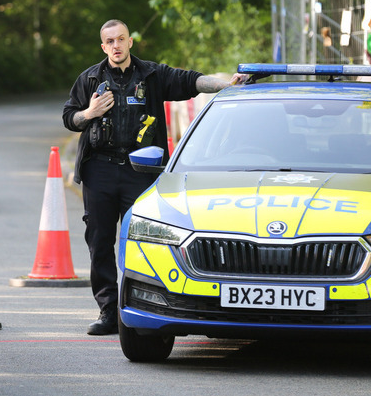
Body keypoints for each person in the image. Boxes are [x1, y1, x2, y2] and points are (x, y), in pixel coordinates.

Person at [62, 19, 248, 335]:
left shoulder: (152, 75)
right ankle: (109, 310)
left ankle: (146, 305)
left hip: (141, 170)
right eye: (110, 41)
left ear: (130, 41)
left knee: (145, 239)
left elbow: (191, 81)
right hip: (100, 170)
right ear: (103, 46)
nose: (117, 46)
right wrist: (90, 113)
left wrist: (226, 86)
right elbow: (70, 119)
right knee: (100, 241)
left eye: (121, 39)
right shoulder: (90, 79)